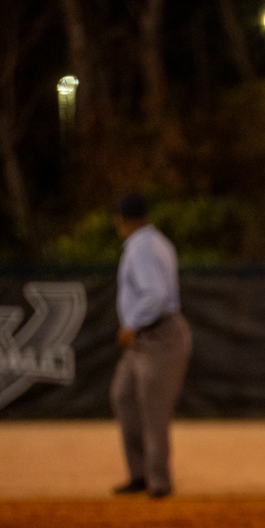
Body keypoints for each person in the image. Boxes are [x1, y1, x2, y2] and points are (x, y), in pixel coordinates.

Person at [110, 192, 193, 500]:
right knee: (124, 396)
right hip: (147, 338)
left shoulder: (140, 247)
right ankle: (140, 474)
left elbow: (155, 295)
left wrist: (132, 323)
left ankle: (158, 482)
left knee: (153, 410)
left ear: (123, 221)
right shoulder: (157, 241)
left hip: (159, 335)